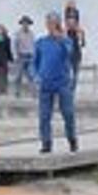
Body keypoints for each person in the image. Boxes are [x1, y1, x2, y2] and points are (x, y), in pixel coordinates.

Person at [30, 11, 79, 154]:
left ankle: (72, 139)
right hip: (45, 83)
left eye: (54, 22)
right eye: (49, 22)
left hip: (63, 82)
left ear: (58, 24)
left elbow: (69, 54)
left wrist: (61, 39)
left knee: (68, 113)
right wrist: (35, 76)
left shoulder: (66, 41)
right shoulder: (40, 42)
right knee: (44, 116)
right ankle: (46, 143)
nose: (51, 25)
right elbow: (33, 63)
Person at [0, 19, 14, 96]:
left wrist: (11, 58)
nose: (0, 31)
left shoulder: (7, 38)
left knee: (4, 74)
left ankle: (4, 89)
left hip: (4, 57)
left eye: (1, 29)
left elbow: (8, 49)